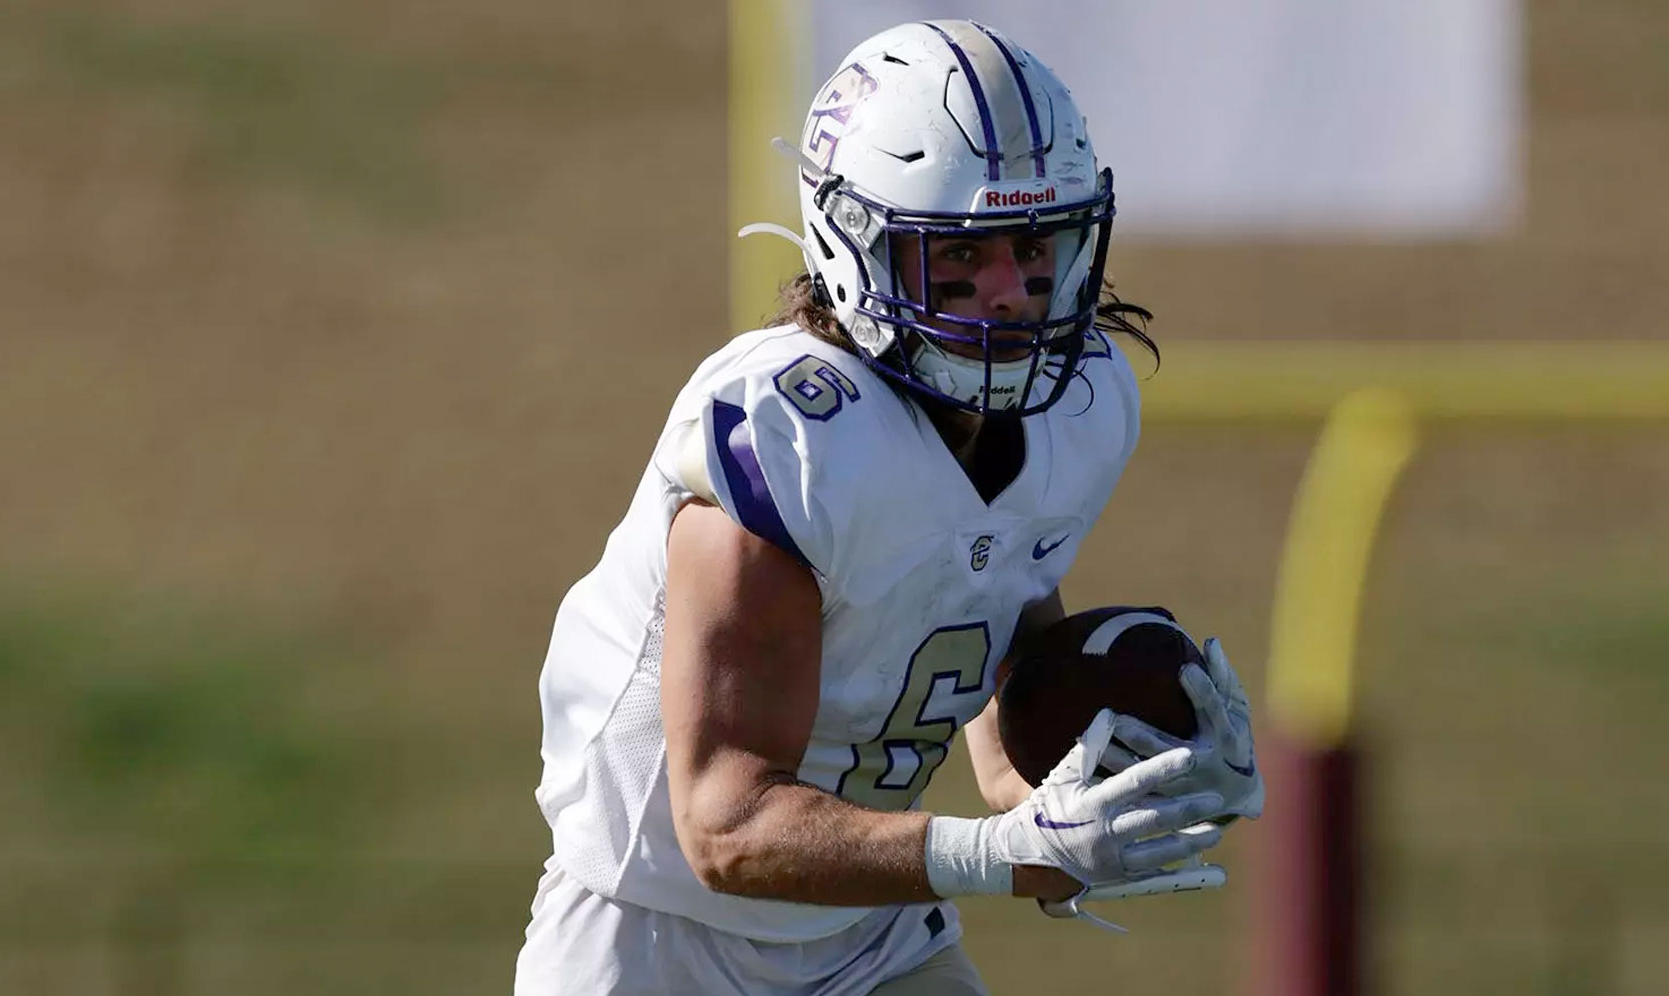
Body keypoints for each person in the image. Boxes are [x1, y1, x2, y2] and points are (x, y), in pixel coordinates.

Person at [515, 19, 1262, 995]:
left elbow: (988, 622)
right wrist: (1001, 853)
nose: (1007, 294)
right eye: (959, 255)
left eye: (1034, 245)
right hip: (657, 943)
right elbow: (726, 827)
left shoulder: (1081, 403)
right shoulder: (794, 437)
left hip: (873, 937)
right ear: (853, 245)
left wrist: (1112, 786)